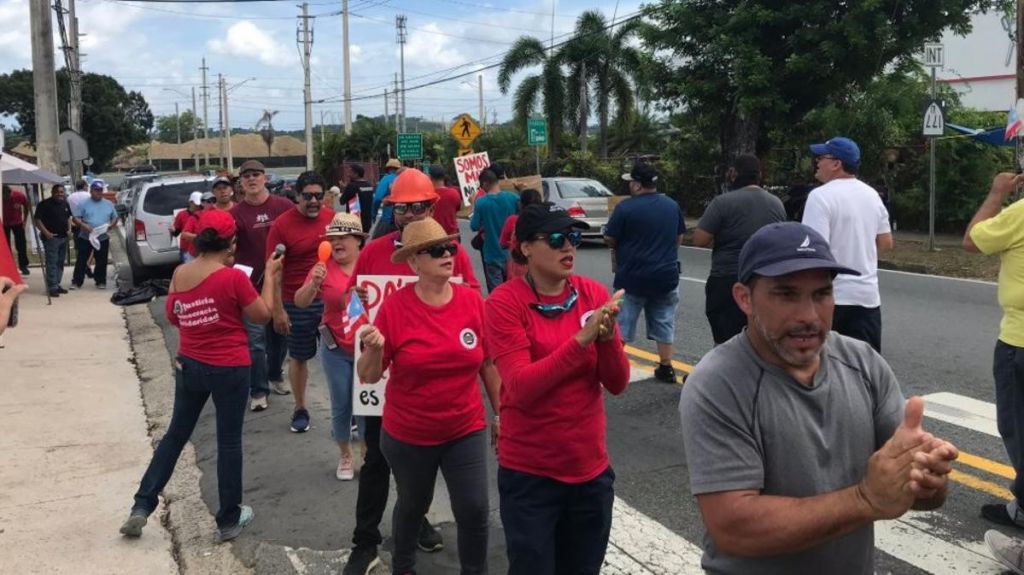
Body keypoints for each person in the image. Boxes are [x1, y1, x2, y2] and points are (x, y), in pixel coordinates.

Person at [678, 222, 957, 574]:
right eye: (787, 294)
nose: (809, 316)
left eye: (822, 294)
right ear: (744, 298)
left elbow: (911, 489)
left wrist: (926, 480)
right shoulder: (718, 383)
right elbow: (735, 527)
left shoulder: (863, 363)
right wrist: (865, 499)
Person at [341, 168, 480, 575]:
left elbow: (471, 299)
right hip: (384, 373)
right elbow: (352, 310)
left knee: (419, 465)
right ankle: (365, 543)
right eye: (404, 208)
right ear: (393, 210)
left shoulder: (451, 253)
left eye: (421, 206)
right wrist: (357, 298)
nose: (413, 213)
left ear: (433, 206)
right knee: (378, 460)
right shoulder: (375, 251)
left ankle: (414, 520)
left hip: (436, 376)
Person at [484, 202, 630, 574]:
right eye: (555, 238)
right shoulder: (504, 302)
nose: (568, 247)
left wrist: (608, 339)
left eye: (574, 237)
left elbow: (617, 383)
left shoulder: (592, 294)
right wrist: (582, 339)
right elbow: (519, 386)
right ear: (526, 247)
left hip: (590, 471)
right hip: (530, 475)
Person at [119, 209, 281, 542]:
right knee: (229, 442)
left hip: (190, 364)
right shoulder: (233, 277)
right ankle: (228, 519)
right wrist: (273, 277)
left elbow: (174, 316)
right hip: (230, 367)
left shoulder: (180, 273)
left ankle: (142, 505)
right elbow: (262, 316)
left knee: (175, 435)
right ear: (231, 242)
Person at [357, 217, 501, 575]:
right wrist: (373, 349)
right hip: (409, 435)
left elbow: (488, 364)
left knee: (474, 508)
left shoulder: (472, 302)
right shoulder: (394, 308)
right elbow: (369, 375)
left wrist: (502, 413)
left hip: (464, 428)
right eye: (434, 250)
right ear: (413, 263)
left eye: (449, 247)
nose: (446, 254)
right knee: (413, 505)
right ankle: (403, 567)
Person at [963, 172, 1024, 529]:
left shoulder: (1019, 214)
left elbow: (972, 240)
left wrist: (997, 192)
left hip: (1019, 342)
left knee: (1017, 427)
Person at [802, 136, 893, 353]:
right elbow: (886, 242)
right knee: (865, 370)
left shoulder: (820, 197)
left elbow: (814, 250)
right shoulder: (872, 195)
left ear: (836, 164)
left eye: (821, 157)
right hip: (868, 298)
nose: (816, 162)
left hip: (833, 298)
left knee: (827, 370)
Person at [294, 212, 366, 480]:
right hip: (335, 348)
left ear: (358, 240)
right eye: (332, 238)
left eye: (343, 237)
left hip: (368, 349)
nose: (336, 243)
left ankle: (368, 453)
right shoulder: (321, 268)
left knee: (367, 407)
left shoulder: (369, 265)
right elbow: (300, 302)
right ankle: (345, 455)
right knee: (342, 404)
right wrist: (313, 284)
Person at [267, 170, 336, 433]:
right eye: (308, 196)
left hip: (332, 301)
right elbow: (274, 270)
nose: (314, 201)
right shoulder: (282, 225)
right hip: (298, 303)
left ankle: (344, 409)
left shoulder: (334, 219)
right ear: (297, 196)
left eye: (319, 196)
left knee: (340, 357)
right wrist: (278, 309)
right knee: (299, 356)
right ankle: (300, 407)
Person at [604, 163, 686, 383]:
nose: (630, 185)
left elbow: (610, 238)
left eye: (631, 181)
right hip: (666, 276)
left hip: (632, 278)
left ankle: (614, 370)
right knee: (665, 320)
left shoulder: (625, 208)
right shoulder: (671, 205)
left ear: (638, 185)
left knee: (622, 324)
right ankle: (666, 366)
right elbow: (678, 238)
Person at [693, 154, 786, 344]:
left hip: (727, 278)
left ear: (733, 173)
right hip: (764, 278)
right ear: (758, 175)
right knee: (761, 337)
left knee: (726, 340)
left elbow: (699, 240)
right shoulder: (776, 203)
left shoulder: (722, 202)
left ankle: (726, 373)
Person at [232, 160, 296, 410]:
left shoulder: (284, 206)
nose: (252, 179)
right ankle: (258, 390)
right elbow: (228, 248)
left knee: (280, 333)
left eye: (256, 175)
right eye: (246, 176)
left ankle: (275, 375)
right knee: (255, 340)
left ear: (265, 178)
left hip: (282, 283)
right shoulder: (236, 214)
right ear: (241, 182)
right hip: (251, 286)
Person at [470, 169, 519, 292]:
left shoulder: (481, 202)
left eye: (481, 185)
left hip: (491, 254)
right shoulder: (513, 198)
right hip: (511, 254)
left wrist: (473, 204)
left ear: (485, 184)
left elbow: (474, 226)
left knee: (497, 293)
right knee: (512, 291)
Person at [71, 180, 118, 290]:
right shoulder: (83, 203)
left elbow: (115, 217)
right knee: (82, 259)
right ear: (91, 191)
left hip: (102, 236)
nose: (99, 192)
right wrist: (83, 225)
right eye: (96, 190)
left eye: (100, 190)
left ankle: (100, 281)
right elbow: (76, 218)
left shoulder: (108, 203)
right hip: (86, 236)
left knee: (101, 260)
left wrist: (111, 225)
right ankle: (77, 282)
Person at [33, 184, 73, 297]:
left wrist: (69, 229)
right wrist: (46, 233)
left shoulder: (65, 203)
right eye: (58, 192)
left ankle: (57, 284)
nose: (60, 194)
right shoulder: (44, 204)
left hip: (63, 237)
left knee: (60, 262)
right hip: (52, 238)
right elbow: (37, 220)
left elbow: (68, 217)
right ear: (52, 192)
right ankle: (52, 287)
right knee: (52, 263)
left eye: (62, 192)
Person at [499, 188, 542, 281]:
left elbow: (502, 244)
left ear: (521, 204)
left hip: (517, 272)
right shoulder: (545, 222)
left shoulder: (513, 220)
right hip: (540, 272)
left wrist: (512, 243)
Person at [2, 185, 31, 276]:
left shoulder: (19, 196)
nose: (6, 197)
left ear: (10, 192)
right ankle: (9, 266)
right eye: (4, 196)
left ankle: (23, 265)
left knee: (21, 244)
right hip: (4, 224)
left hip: (17, 222)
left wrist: (25, 220)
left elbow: (26, 206)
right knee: (6, 245)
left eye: (7, 195)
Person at [340, 163, 376, 234]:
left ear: (356, 174)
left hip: (354, 222)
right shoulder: (369, 186)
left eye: (350, 172)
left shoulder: (352, 186)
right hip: (367, 222)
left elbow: (342, 201)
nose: (348, 174)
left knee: (354, 243)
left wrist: (344, 189)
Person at [428, 165, 463, 237]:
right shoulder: (454, 193)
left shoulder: (428, 196)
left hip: (433, 237)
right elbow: (457, 209)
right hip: (452, 237)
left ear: (430, 177)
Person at [371, 158, 402, 238]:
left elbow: (377, 199)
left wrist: (374, 214)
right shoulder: (403, 179)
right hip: (402, 219)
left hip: (388, 219)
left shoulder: (386, 179)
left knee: (377, 243)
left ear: (388, 169)